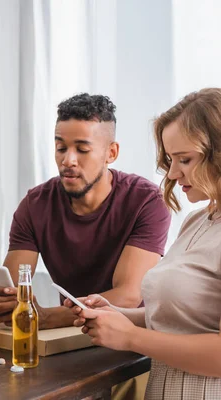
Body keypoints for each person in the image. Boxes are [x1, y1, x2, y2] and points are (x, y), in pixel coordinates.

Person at [69, 88, 221, 399]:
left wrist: (132, 339)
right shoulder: (198, 221)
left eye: (185, 159)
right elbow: (182, 319)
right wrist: (119, 315)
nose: (173, 173)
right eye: (170, 159)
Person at [0, 93, 171, 330]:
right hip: (68, 333)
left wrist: (48, 317)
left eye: (82, 149)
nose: (68, 160)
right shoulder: (35, 205)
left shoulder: (147, 201)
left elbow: (128, 296)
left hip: (129, 335)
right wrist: (3, 302)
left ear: (111, 153)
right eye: (61, 147)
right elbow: (13, 285)